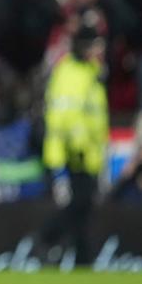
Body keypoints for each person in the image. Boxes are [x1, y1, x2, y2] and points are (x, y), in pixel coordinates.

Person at [38, 15, 109, 266]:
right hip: (69, 155)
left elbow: (93, 117)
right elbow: (63, 118)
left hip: (87, 155)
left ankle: (82, 260)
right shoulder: (69, 72)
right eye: (93, 45)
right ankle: (46, 239)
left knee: (84, 210)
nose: (97, 51)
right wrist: (74, 149)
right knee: (76, 206)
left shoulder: (91, 72)